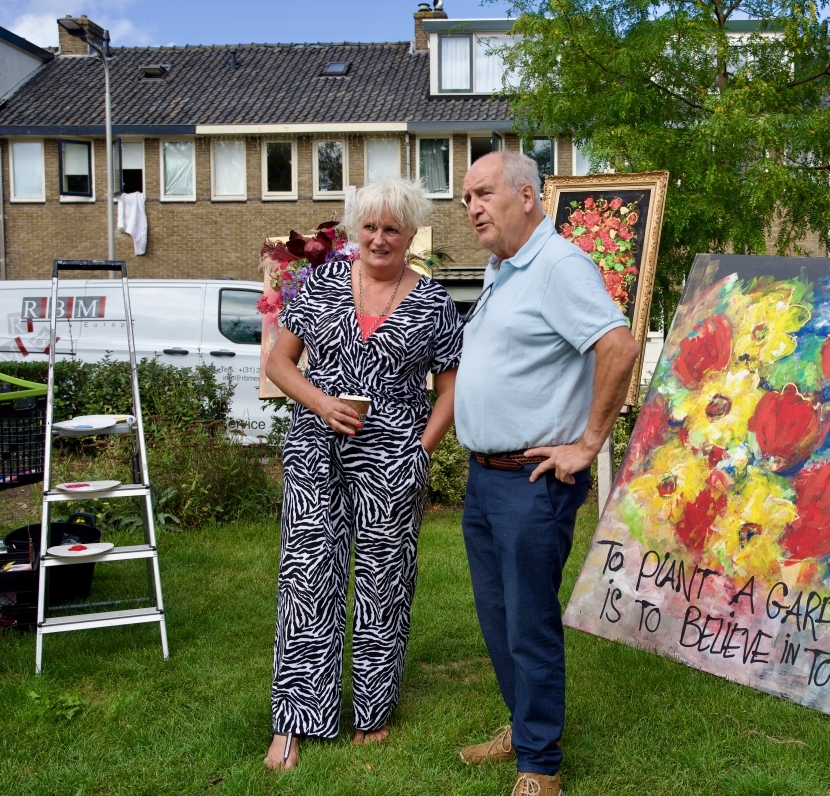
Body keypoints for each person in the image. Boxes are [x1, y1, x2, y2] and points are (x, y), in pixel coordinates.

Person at [453, 151, 640, 796]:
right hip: (486, 477)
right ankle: (523, 725)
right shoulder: (502, 271)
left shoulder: (558, 265)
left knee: (528, 621)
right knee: (498, 617)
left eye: (483, 193)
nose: (472, 207)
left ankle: (539, 767)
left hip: (530, 483)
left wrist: (588, 444)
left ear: (527, 196)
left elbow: (618, 346)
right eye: (466, 199)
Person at [263, 178, 464, 770]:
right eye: (370, 226)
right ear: (356, 229)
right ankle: (293, 721)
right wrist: (321, 403)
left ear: (410, 234)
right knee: (307, 577)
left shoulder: (434, 303)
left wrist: (420, 450)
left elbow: (452, 389)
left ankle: (373, 711)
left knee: (384, 581)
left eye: (391, 228)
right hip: (315, 451)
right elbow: (279, 362)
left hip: (394, 458)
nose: (379, 238)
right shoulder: (319, 284)